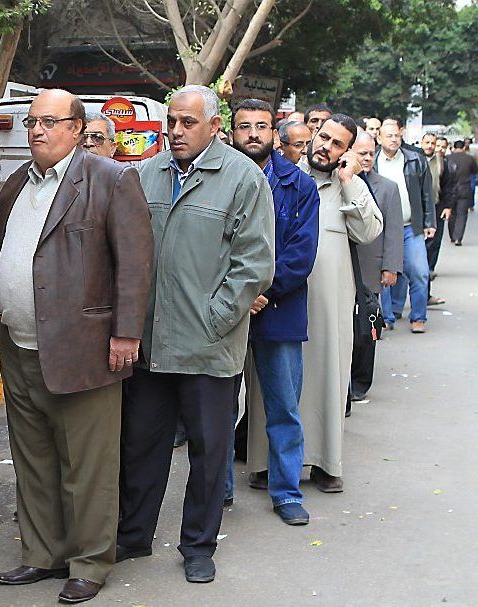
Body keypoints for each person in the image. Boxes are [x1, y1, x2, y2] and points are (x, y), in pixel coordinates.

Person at [0, 89, 153, 604]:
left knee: (88, 463)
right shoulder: (15, 184)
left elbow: (135, 264)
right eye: (31, 121)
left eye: (49, 122)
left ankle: (90, 560)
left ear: (78, 128)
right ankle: (42, 553)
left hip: (86, 347)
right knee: (33, 458)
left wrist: (127, 333)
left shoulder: (111, 179)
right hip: (19, 344)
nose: (35, 130)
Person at [120, 85, 275, 584]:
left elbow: (253, 265)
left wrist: (213, 320)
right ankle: (133, 535)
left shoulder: (243, 178)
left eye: (188, 122)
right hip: (151, 343)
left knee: (209, 455)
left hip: (209, 348)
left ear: (213, 126)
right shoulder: (147, 174)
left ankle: (198, 546)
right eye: (172, 121)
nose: (176, 131)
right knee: (141, 446)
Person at [249, 114, 382, 494]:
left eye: (338, 144)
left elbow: (370, 231)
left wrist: (350, 180)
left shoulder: (349, 186)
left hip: (330, 303)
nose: (327, 147)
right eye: (324, 137)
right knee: (272, 382)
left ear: (348, 151)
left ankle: (326, 463)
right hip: (281, 297)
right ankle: (263, 461)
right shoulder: (286, 176)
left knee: (327, 379)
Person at [229, 99, 319, 525]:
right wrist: (238, 295)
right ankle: (218, 492)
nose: (252, 134)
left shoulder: (299, 185)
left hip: (278, 310)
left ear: (274, 133)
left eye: (260, 126)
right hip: (224, 311)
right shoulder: (219, 180)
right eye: (244, 126)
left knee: (283, 407)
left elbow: (301, 254)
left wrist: (260, 292)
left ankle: (286, 492)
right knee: (219, 407)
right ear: (229, 132)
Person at [348, 131, 404, 405]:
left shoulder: (388, 187)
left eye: (371, 153)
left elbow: (394, 231)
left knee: (365, 330)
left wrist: (391, 267)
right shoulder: (339, 182)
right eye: (362, 153)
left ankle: (359, 383)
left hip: (371, 270)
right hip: (344, 268)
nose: (367, 158)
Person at [374, 119, 435, 334]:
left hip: (410, 227)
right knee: (383, 274)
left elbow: (426, 193)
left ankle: (418, 317)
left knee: (419, 271)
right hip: (381, 228)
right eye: (388, 135)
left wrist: (429, 222)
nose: (393, 139)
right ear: (379, 138)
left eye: (396, 135)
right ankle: (387, 316)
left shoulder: (415, 160)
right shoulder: (372, 161)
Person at [420, 132, 452, 306]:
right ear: (421, 143)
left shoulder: (442, 162)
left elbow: (447, 186)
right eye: (428, 142)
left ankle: (425, 294)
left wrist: (447, 206)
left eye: (434, 143)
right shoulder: (414, 159)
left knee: (431, 250)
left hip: (436, 209)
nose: (431, 146)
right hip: (417, 212)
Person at [445, 140, 477, 246]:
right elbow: (474, 171)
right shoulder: (469, 158)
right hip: (464, 188)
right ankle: (458, 237)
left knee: (452, 213)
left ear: (454, 147)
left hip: (451, 189)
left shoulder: (448, 158)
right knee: (462, 214)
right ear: (464, 147)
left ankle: (452, 236)